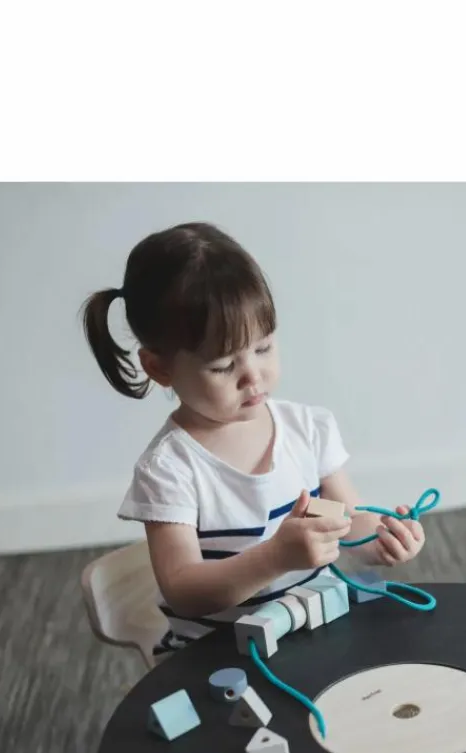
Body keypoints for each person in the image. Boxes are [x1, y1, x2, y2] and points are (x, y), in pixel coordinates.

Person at [81, 222, 425, 655]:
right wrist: (276, 557)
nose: (253, 375)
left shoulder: (308, 430)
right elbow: (184, 589)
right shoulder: (169, 470)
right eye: (224, 366)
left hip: (313, 622)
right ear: (159, 368)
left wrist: (382, 539)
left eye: (263, 348)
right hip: (218, 655)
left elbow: (349, 518)